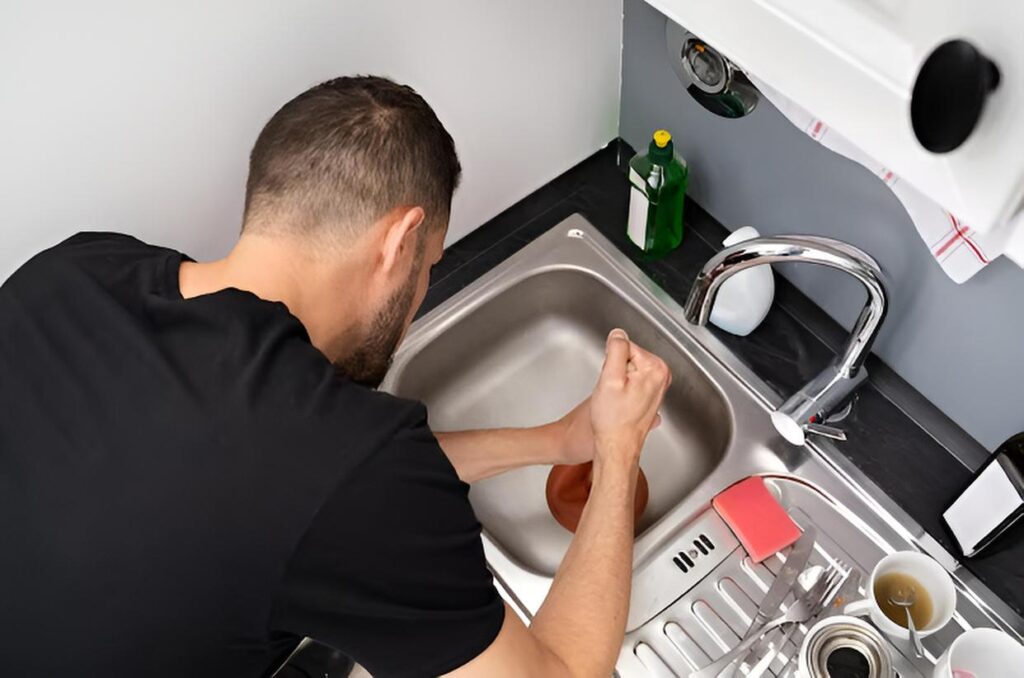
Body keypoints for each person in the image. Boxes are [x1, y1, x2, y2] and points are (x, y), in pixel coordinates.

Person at [0, 75, 670, 677]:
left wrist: (554, 443)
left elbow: (311, 490)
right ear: (400, 242)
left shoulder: (70, 271)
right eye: (429, 265)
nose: (420, 295)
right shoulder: (349, 465)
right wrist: (619, 452)